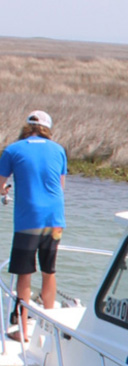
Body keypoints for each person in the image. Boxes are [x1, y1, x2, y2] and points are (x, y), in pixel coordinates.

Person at [0, 110, 67, 343]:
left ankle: (23, 331)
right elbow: (60, 185)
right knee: (49, 272)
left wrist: (5, 190)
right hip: (55, 220)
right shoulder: (59, 150)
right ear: (47, 129)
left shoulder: (12, 150)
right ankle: (48, 325)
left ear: (26, 127)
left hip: (29, 220)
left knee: (24, 275)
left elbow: (0, 185)